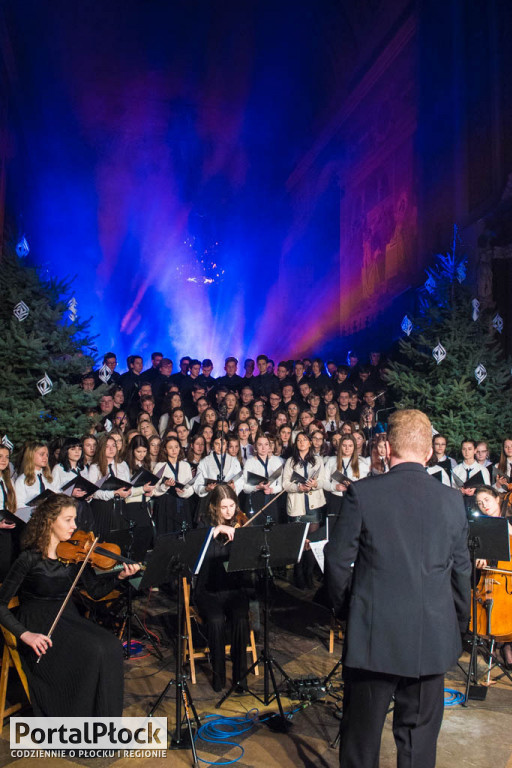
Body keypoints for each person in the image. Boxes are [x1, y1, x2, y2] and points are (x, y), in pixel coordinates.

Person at [324, 409, 471, 768]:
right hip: (432, 636)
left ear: (387, 448)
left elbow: (337, 562)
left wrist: (346, 611)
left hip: (374, 635)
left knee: (361, 740)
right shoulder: (452, 500)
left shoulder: (362, 494)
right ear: (429, 452)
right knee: (418, 742)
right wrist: (457, 625)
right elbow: (461, 572)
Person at [0, 494, 139, 715]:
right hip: (37, 623)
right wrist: (25, 635)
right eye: (68, 520)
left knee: (112, 646)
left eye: (74, 519)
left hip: (67, 617)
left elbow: (95, 592)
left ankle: (104, 725)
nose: (75, 526)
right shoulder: (29, 558)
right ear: (50, 521)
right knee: (93, 651)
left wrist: (119, 577)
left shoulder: (74, 557)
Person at [194, 484, 250, 692]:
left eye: (232, 506)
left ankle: (240, 678)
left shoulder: (241, 523)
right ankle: (218, 676)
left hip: (234, 587)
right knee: (216, 620)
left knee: (241, 618)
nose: (229, 512)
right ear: (214, 507)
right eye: (224, 507)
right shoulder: (203, 525)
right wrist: (215, 531)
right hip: (208, 589)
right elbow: (196, 557)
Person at [0, 445, 17, 579]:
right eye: (0, 456)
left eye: (7, 457)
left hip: (5, 526)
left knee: (5, 565)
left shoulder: (7, 481)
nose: (4, 460)